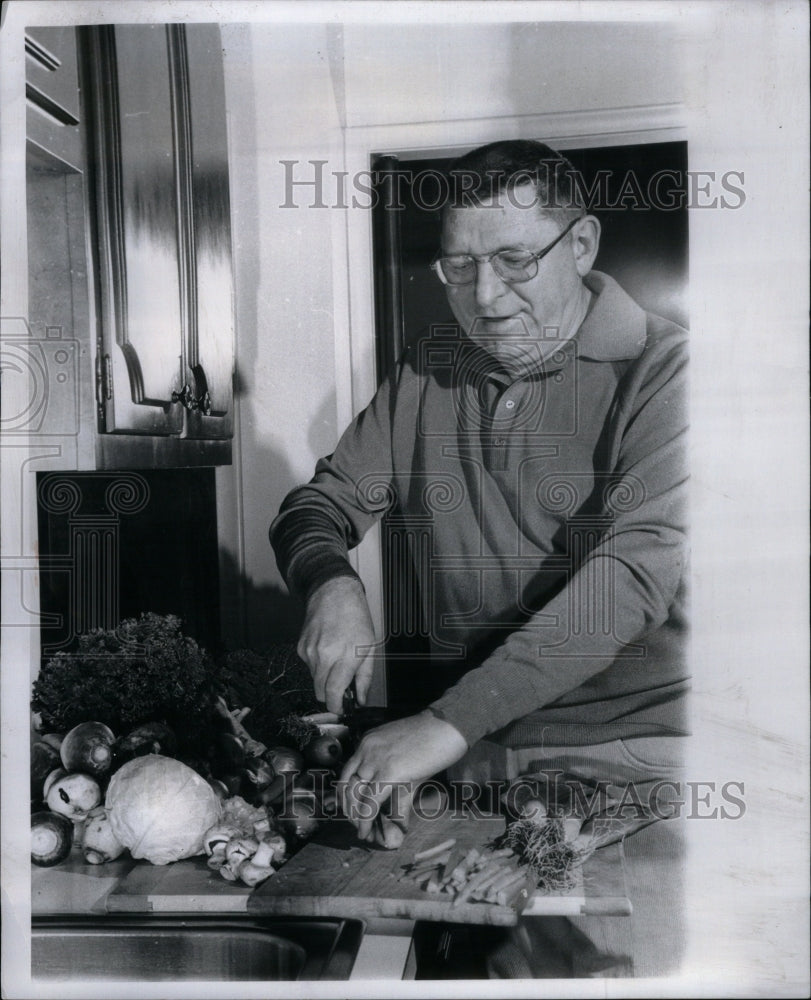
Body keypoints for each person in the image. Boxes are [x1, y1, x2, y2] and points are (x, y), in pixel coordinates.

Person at [270, 139, 689, 977]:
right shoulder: (430, 370)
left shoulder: (670, 373)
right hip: (478, 753)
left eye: (511, 260)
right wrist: (331, 578)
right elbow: (320, 503)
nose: (483, 297)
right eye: (458, 267)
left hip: (637, 765)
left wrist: (442, 723)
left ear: (580, 245)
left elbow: (629, 579)